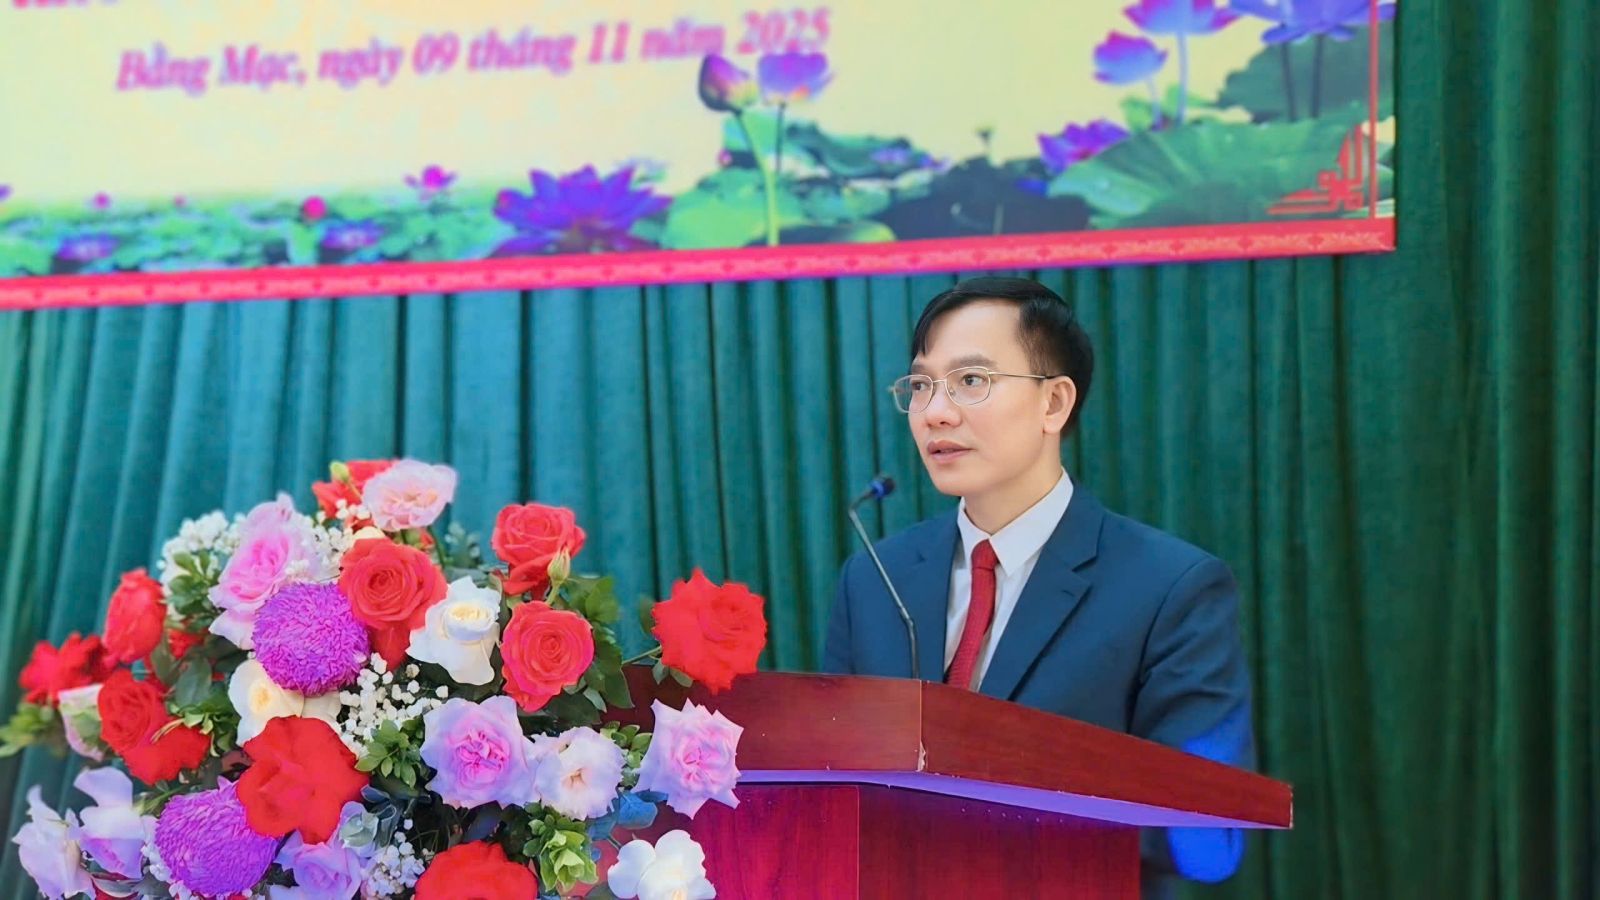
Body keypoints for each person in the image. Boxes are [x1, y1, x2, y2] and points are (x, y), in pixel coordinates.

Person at [823, 276, 1255, 897]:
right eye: (921, 385)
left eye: (971, 380)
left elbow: (1207, 835)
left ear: (1054, 403)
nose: (936, 412)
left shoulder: (1171, 587)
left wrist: (990, 800)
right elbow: (832, 783)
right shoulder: (874, 576)